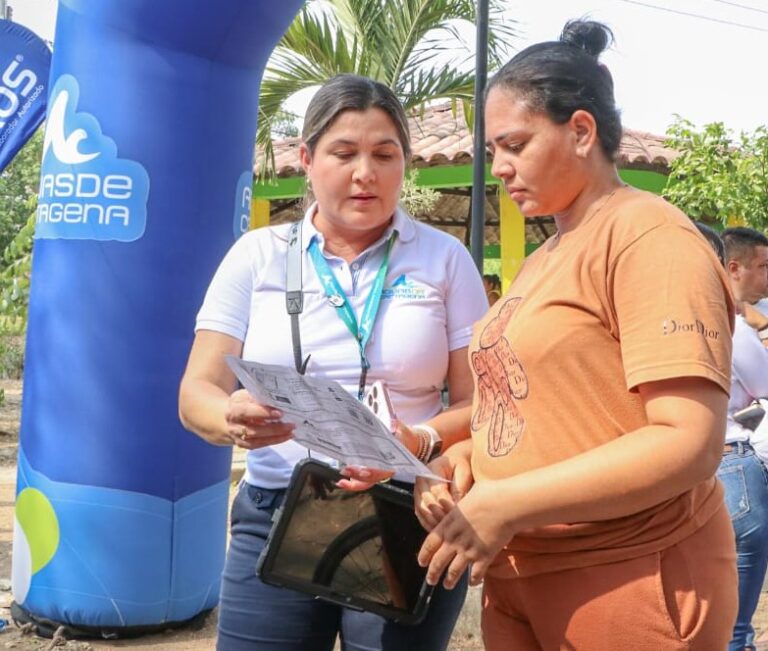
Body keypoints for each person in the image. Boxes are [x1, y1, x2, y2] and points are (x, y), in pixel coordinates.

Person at [414, 20, 738, 650]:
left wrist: (505, 503)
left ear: (582, 131)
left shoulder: (648, 238)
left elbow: (689, 440)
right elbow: (537, 403)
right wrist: (462, 457)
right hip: (526, 575)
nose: (501, 168)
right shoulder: (546, 257)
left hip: (626, 575)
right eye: (493, 152)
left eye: (515, 145)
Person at [178, 74, 488, 651]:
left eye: (384, 154)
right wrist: (231, 418)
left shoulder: (445, 260)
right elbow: (197, 389)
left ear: (405, 164)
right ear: (306, 158)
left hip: (406, 514)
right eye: (344, 153)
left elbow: (483, 405)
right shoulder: (257, 256)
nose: (364, 172)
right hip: (278, 510)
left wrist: (417, 440)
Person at [697, 224, 768, 651]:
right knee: (736, 630)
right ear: (731, 267)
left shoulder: (658, 325)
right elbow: (766, 384)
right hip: (735, 467)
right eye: (763, 266)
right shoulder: (732, 327)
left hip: (683, 476)